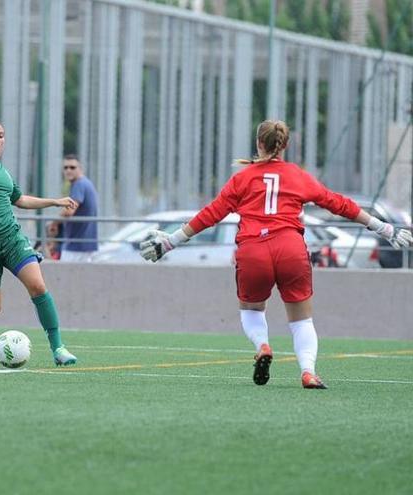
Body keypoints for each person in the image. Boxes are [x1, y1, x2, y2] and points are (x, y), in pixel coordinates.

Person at [139, 119, 413, 389]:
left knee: (251, 310)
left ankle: (263, 345)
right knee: (302, 319)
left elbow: (210, 215)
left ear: (259, 143)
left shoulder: (242, 179)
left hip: (253, 251)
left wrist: (171, 242)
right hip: (290, 250)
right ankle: (308, 372)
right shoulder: (298, 175)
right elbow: (339, 204)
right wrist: (384, 228)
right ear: (285, 145)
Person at [0, 119, 79, 366]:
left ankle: (58, 348)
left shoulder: (4, 172)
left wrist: (55, 202)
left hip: (12, 238)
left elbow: (20, 200)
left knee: (38, 287)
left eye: (1, 135)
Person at [59, 155, 99, 262]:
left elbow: (69, 211)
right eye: (65, 167)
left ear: (80, 169)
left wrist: (54, 223)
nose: (68, 170)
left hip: (76, 247)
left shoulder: (79, 184)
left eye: (72, 167)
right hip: (85, 245)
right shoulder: (85, 183)